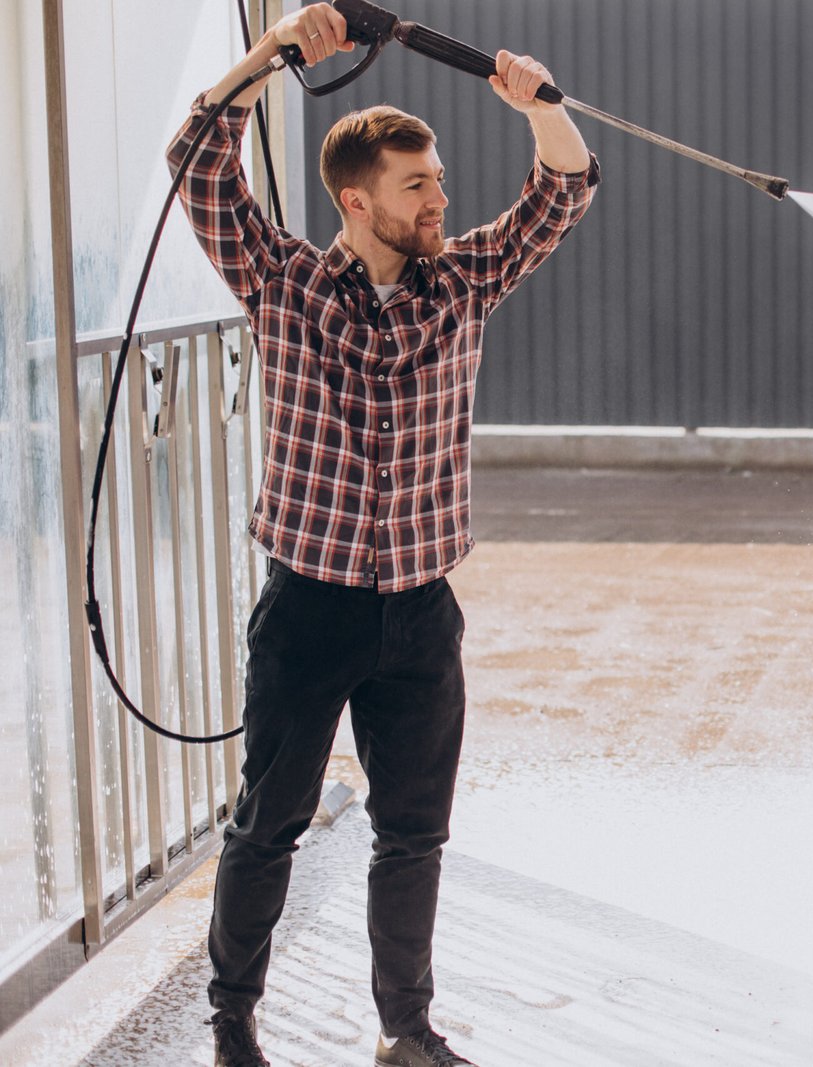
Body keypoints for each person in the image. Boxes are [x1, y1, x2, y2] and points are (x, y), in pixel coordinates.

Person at [166, 5, 597, 1065]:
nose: (442, 198)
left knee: (414, 837)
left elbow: (564, 192)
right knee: (268, 824)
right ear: (357, 202)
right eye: (420, 186)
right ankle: (233, 1020)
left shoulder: (463, 283)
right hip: (309, 606)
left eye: (441, 180)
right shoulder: (283, 282)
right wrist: (276, 53)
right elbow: (197, 155)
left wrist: (538, 105)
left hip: (419, 613)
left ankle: (406, 1028)